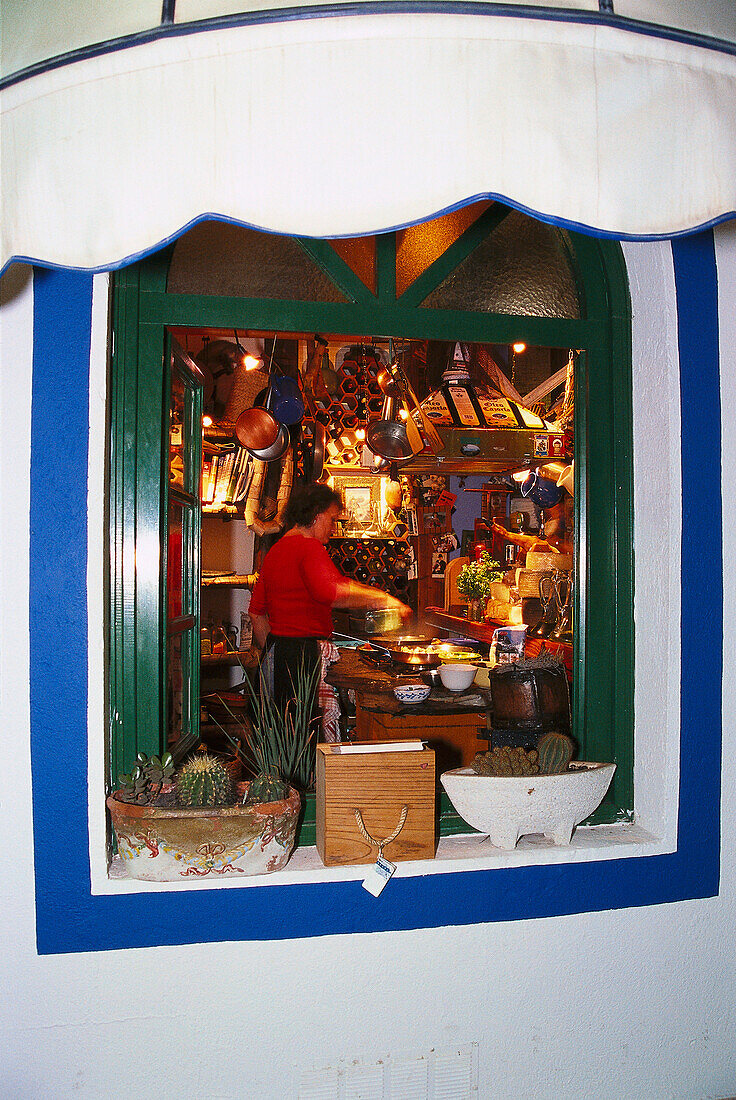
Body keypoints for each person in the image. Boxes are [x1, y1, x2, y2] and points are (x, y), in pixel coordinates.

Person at [248, 483, 412, 721]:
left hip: (278, 654)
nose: (333, 528)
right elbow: (333, 592)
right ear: (316, 514)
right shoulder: (309, 547)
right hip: (303, 659)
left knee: (285, 739)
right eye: (332, 519)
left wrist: (277, 653)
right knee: (308, 738)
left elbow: (256, 613)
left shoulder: (277, 549)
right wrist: (385, 599)